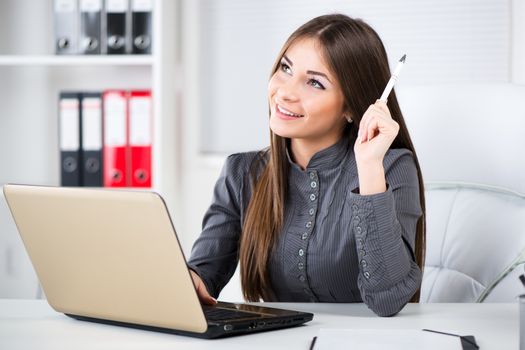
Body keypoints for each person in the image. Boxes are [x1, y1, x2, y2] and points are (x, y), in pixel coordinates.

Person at [187, 13, 425, 317]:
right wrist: (189, 282)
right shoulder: (242, 172)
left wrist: (368, 167)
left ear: (352, 107)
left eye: (314, 82)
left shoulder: (390, 167)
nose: (285, 91)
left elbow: (387, 299)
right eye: (286, 68)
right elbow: (203, 273)